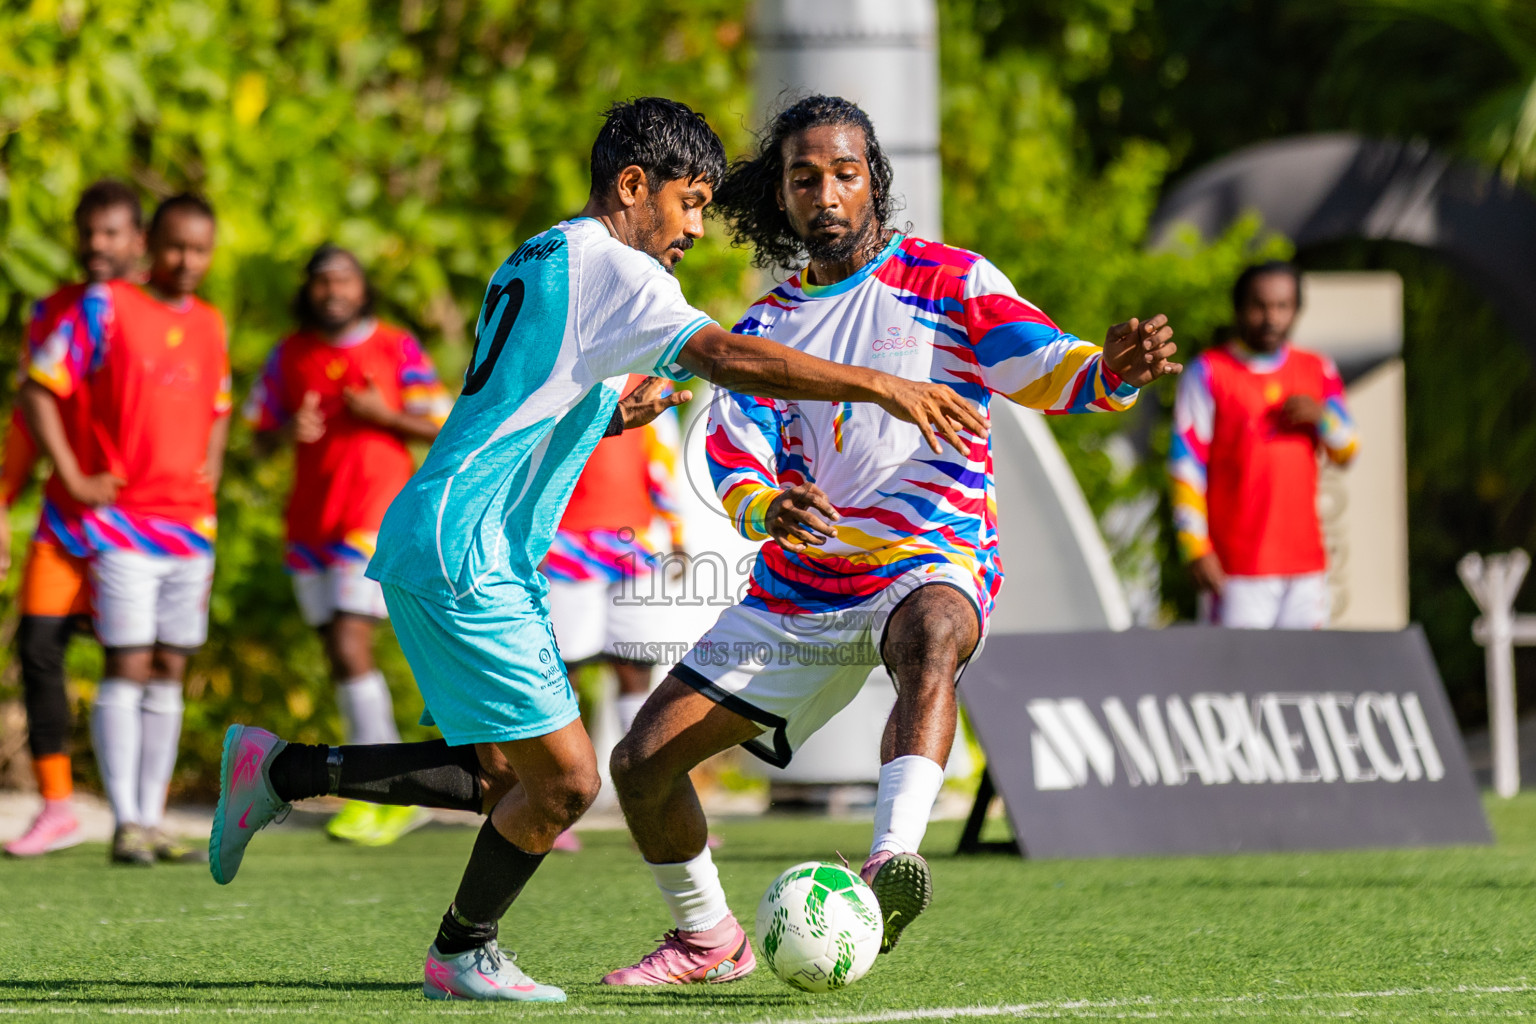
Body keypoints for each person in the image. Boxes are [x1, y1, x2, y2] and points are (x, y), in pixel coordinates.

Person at [209, 96, 987, 1004]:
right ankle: (462, 950)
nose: (698, 226)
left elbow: (529, 390)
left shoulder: (543, 249)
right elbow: (734, 359)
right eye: (689, 202)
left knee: (512, 773)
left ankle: (281, 770)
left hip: (448, 537)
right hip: (471, 552)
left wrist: (608, 413)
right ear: (632, 187)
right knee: (570, 784)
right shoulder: (618, 265)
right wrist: (881, 385)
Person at [600, 94, 1181, 986]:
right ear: (782, 200)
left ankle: (887, 865)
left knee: (933, 632)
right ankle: (706, 940)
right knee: (640, 765)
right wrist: (766, 508)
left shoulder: (953, 283)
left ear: (875, 180)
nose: (825, 194)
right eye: (803, 179)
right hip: (799, 592)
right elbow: (729, 450)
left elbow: (1050, 366)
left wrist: (1112, 372)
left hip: (930, 556)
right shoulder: (761, 332)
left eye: (844, 172)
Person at [22, 193, 231, 866]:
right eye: (174, 246)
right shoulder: (107, 305)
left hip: (190, 526)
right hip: (124, 523)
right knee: (128, 661)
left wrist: (214, 468)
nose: (186, 260)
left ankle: (155, 817)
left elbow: (220, 404)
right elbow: (38, 386)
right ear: (150, 245)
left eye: (199, 248)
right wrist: (76, 479)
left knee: (171, 666)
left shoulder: (211, 322)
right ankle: (126, 822)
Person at [244, 245, 451, 847]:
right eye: (321, 281)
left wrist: (382, 415)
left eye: (344, 279)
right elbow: (255, 439)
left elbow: (441, 423)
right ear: (308, 290)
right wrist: (289, 431)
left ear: (363, 288)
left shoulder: (396, 346)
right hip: (311, 525)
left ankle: (388, 792)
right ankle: (388, 788)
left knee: (348, 636)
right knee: (337, 653)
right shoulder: (290, 354)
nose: (332, 290)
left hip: (372, 517)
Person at [2, 181, 145, 858]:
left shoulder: (159, 314)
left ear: (137, 241)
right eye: (88, 231)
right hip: (65, 518)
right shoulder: (52, 311)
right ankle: (57, 805)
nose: (97, 244)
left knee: (135, 658)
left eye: (112, 232)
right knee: (37, 645)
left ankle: (135, 811)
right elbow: (30, 416)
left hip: (140, 525)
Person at [541, 374, 688, 855]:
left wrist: (678, 535)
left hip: (635, 543)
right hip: (566, 544)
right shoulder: (562, 373)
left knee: (635, 667)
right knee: (565, 673)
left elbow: (661, 459)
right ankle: (555, 805)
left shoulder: (654, 378)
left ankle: (648, 803)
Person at [1169, 261, 1358, 629]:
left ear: (1296, 310)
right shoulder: (1209, 372)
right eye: (1260, 306)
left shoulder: (1318, 370)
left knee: (1303, 681)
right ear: (1239, 309)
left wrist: (1322, 418)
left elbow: (1349, 449)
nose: (1271, 317)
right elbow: (1186, 463)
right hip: (1236, 568)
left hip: (1306, 568)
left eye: (1282, 306)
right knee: (1236, 682)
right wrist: (1193, 546)